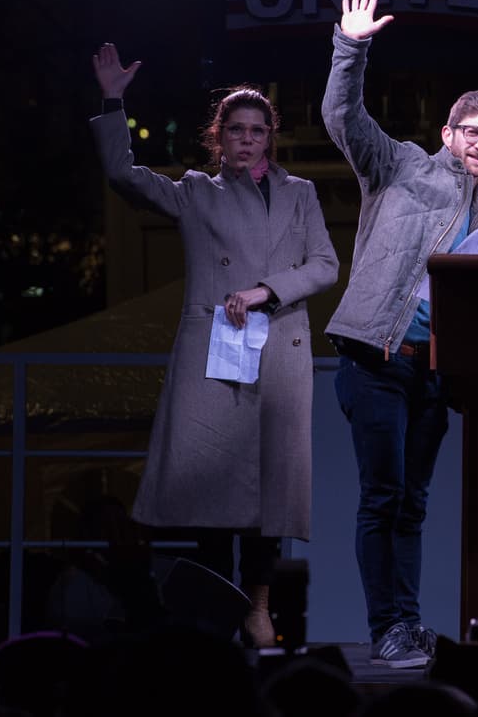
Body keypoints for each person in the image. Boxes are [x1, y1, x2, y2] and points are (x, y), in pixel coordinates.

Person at [90, 44, 340, 647]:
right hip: (216, 353)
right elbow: (122, 174)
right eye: (236, 129)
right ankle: (211, 619)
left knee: (268, 493)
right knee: (212, 489)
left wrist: (264, 290)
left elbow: (326, 265)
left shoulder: (301, 192)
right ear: (219, 137)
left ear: (269, 137)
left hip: (276, 348)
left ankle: (257, 608)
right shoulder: (194, 191)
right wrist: (113, 100)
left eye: (257, 130)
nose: (247, 139)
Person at [320, 0, 478, 669]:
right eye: (474, 131)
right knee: (384, 495)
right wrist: (352, 45)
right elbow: (342, 118)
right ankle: (386, 629)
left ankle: (407, 623)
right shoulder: (401, 164)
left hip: (435, 371)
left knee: (413, 506)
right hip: (378, 357)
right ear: (450, 134)